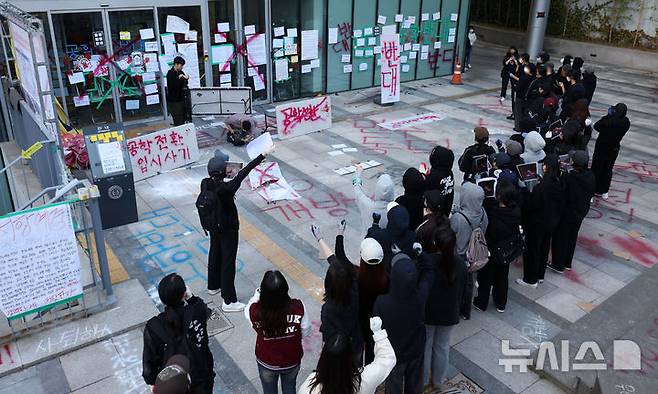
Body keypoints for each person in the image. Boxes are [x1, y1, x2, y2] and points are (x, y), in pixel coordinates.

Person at [203, 146, 275, 311]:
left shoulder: (206, 183)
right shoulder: (227, 189)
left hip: (213, 226)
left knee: (214, 252)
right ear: (223, 172)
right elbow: (246, 171)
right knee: (228, 262)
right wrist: (262, 155)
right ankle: (228, 301)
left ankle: (213, 285)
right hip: (228, 229)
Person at [143, 274, 215, 393]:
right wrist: (191, 298)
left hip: (173, 384)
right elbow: (204, 309)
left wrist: (153, 382)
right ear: (184, 294)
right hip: (201, 376)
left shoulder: (154, 326)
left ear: (162, 298)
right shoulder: (196, 312)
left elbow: (149, 364)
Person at [373, 251, 433, 394]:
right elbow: (429, 273)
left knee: (394, 383)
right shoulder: (420, 297)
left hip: (394, 353)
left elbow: (376, 328)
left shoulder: (382, 302)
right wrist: (421, 254)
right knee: (415, 383)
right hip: (416, 349)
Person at [417, 217, 467, 391]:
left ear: (435, 243)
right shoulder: (460, 264)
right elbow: (465, 290)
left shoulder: (427, 262)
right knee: (442, 347)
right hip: (449, 313)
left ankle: (422, 381)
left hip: (428, 313)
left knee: (426, 347)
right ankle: (438, 381)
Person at [245, 271, 310, 394]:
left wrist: (257, 294)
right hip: (292, 360)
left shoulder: (255, 312)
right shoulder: (298, 307)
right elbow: (306, 330)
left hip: (267, 362)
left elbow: (248, 308)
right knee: (290, 388)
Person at [311, 224, 364, 367]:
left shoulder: (328, 309)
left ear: (328, 284)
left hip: (337, 352)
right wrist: (324, 237)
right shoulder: (356, 289)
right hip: (356, 344)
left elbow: (326, 338)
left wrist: (319, 238)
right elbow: (334, 260)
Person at [298, 317, 396, 394]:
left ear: (324, 358)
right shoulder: (365, 379)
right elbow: (386, 359)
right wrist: (378, 333)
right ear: (350, 357)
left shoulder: (309, 388)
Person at [473, 180, 521, 313]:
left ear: (499, 196)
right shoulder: (515, 210)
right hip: (506, 252)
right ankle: (501, 303)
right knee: (502, 278)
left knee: (485, 278)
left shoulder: (494, 213)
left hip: (492, 250)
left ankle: (481, 302)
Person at [517, 154, 564, 287]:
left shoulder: (541, 188)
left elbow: (532, 205)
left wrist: (525, 192)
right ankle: (540, 275)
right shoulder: (558, 182)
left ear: (547, 167)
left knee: (532, 250)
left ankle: (530, 279)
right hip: (551, 222)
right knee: (544, 248)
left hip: (537, 223)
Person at [550, 151, 595, 273]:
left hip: (567, 213)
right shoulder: (590, 176)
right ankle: (567, 262)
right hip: (581, 212)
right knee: (572, 237)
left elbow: (562, 194)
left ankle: (558, 264)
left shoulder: (570, 178)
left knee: (560, 238)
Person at [449, 182, 488, 320]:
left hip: (459, 255)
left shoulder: (458, 218)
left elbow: (451, 235)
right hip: (473, 255)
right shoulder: (483, 214)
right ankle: (466, 311)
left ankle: (456, 310)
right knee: (469, 283)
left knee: (457, 285)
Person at [591, 103, 630, 199]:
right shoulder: (626, 122)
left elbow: (597, 126)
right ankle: (604, 190)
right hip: (614, 148)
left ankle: (591, 191)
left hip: (602, 147)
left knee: (596, 168)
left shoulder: (608, 122)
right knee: (608, 169)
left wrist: (608, 116)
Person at [353, 165, 395, 237]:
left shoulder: (367, 205)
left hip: (367, 243)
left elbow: (357, 188)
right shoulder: (396, 210)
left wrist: (358, 173)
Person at [423, 145, 455, 217]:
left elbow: (425, 189)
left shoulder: (434, 176)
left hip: (434, 213)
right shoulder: (449, 173)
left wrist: (424, 177)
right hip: (446, 210)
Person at [166, 56, 189, 126]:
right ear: (176, 64)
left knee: (183, 118)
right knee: (178, 120)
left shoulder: (180, 72)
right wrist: (180, 78)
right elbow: (174, 86)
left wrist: (185, 78)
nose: (182, 67)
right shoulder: (170, 74)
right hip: (174, 101)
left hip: (181, 99)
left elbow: (185, 83)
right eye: (181, 65)